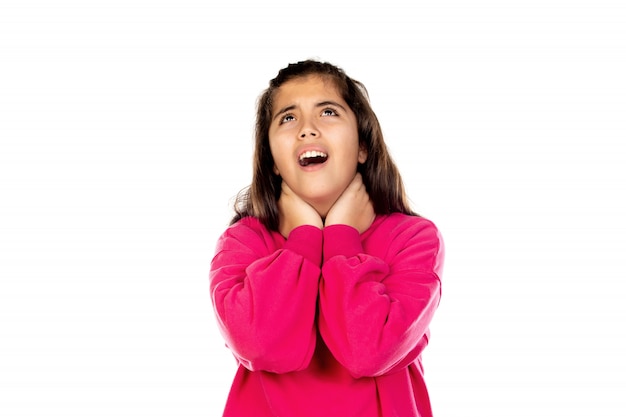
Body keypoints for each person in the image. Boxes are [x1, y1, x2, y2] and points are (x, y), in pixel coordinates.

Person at [209, 59, 444, 417]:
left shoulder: (413, 239)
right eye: (288, 118)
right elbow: (259, 345)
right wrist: (304, 238)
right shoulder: (243, 242)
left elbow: (368, 351)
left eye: (328, 112)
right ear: (272, 159)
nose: (307, 129)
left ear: (363, 146)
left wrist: (340, 238)